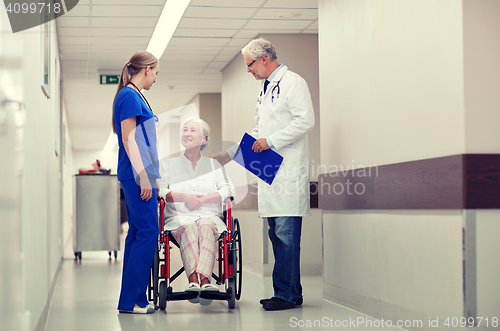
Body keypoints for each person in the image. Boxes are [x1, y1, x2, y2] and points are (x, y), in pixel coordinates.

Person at [213, 38, 315, 311]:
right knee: (276, 234)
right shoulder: (265, 90)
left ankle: (285, 295)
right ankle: (291, 291)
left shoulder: (293, 82)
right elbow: (257, 132)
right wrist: (229, 154)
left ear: (264, 59)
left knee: (286, 236)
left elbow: (306, 120)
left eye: (249, 65)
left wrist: (271, 141)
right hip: (271, 174)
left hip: (288, 172)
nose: (248, 70)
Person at [159, 117, 234, 306]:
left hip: (209, 216)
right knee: (190, 226)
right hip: (179, 218)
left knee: (206, 224)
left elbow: (227, 190)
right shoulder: (169, 165)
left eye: (192, 130)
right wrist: (186, 197)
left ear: (204, 139)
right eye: (184, 130)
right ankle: (194, 280)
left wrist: (203, 200)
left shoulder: (214, 166)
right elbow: (162, 190)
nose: (187, 133)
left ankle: (205, 281)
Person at [113, 50, 160, 314]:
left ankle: (130, 300)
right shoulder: (129, 95)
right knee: (148, 232)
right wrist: (143, 175)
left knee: (136, 233)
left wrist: (152, 176)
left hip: (140, 174)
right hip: (135, 175)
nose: (155, 78)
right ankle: (135, 300)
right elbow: (129, 139)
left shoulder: (134, 95)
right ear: (146, 69)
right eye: (155, 72)